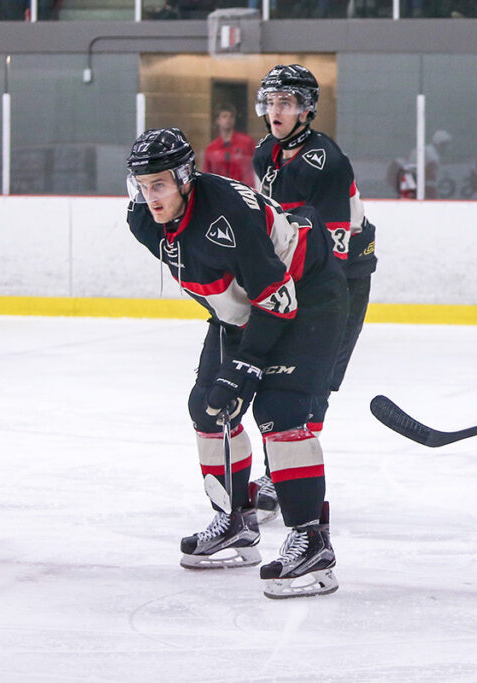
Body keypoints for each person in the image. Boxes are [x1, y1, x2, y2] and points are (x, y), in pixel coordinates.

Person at [125, 127, 349, 599]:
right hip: (249, 302)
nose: (150, 197)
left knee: (280, 411)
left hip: (307, 291)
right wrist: (230, 370)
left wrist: (247, 367)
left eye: (160, 184)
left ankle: (312, 543)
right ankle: (234, 522)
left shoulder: (227, 211)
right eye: (142, 186)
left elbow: (280, 299)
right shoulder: (143, 220)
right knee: (208, 407)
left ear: (186, 177)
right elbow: (213, 279)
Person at [251, 64, 378, 521]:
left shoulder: (326, 160)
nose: (274, 110)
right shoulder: (266, 153)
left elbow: (334, 248)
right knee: (278, 377)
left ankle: (283, 474)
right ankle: (280, 469)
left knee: (313, 380)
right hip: (299, 273)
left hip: (340, 280)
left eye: (285, 102)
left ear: (306, 110)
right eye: (270, 101)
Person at [203, 104, 257, 188]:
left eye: (231, 117)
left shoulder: (247, 142)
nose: (228, 120)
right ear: (217, 120)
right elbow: (206, 175)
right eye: (224, 116)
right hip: (220, 191)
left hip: (244, 191)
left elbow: (256, 167)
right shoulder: (212, 148)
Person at [407, 129, 452, 199]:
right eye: (446, 145)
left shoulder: (434, 154)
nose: (447, 148)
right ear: (440, 144)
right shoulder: (427, 153)